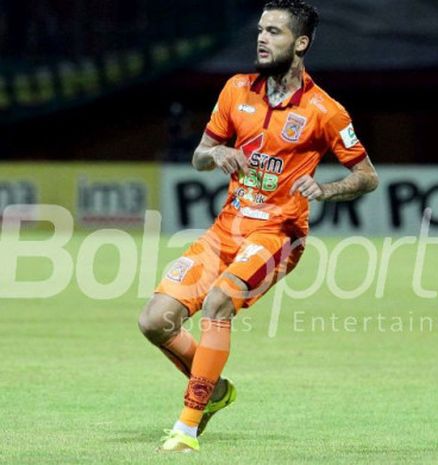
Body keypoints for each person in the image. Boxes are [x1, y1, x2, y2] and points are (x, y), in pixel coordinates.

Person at [138, 0, 379, 452]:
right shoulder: (236, 90)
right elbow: (198, 155)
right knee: (154, 321)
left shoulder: (325, 111)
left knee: (218, 302)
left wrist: (326, 189)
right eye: (261, 30)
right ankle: (217, 389)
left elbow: (367, 176)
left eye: (275, 32)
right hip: (225, 231)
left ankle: (187, 426)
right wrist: (216, 154)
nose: (262, 39)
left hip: (279, 236)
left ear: (301, 43)